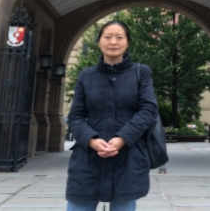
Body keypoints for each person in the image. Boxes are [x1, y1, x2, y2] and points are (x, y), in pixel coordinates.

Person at [66, 20, 158, 211]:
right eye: (107, 37)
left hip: (128, 156)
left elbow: (148, 110)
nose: (113, 42)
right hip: (88, 158)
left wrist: (122, 138)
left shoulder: (141, 73)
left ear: (127, 42)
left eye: (119, 37)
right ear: (99, 41)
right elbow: (75, 116)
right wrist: (91, 140)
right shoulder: (86, 76)